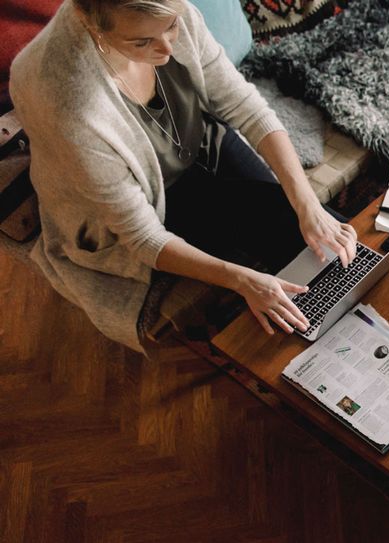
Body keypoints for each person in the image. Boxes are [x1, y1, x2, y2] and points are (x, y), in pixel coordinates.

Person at [10, 0, 358, 351]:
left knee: (323, 241)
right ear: (89, 21)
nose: (167, 47)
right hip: (155, 195)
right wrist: (243, 281)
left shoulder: (171, 13)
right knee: (274, 280)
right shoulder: (68, 105)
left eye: (172, 26)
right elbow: (143, 236)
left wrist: (308, 203)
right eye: (142, 42)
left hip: (202, 142)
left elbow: (245, 107)